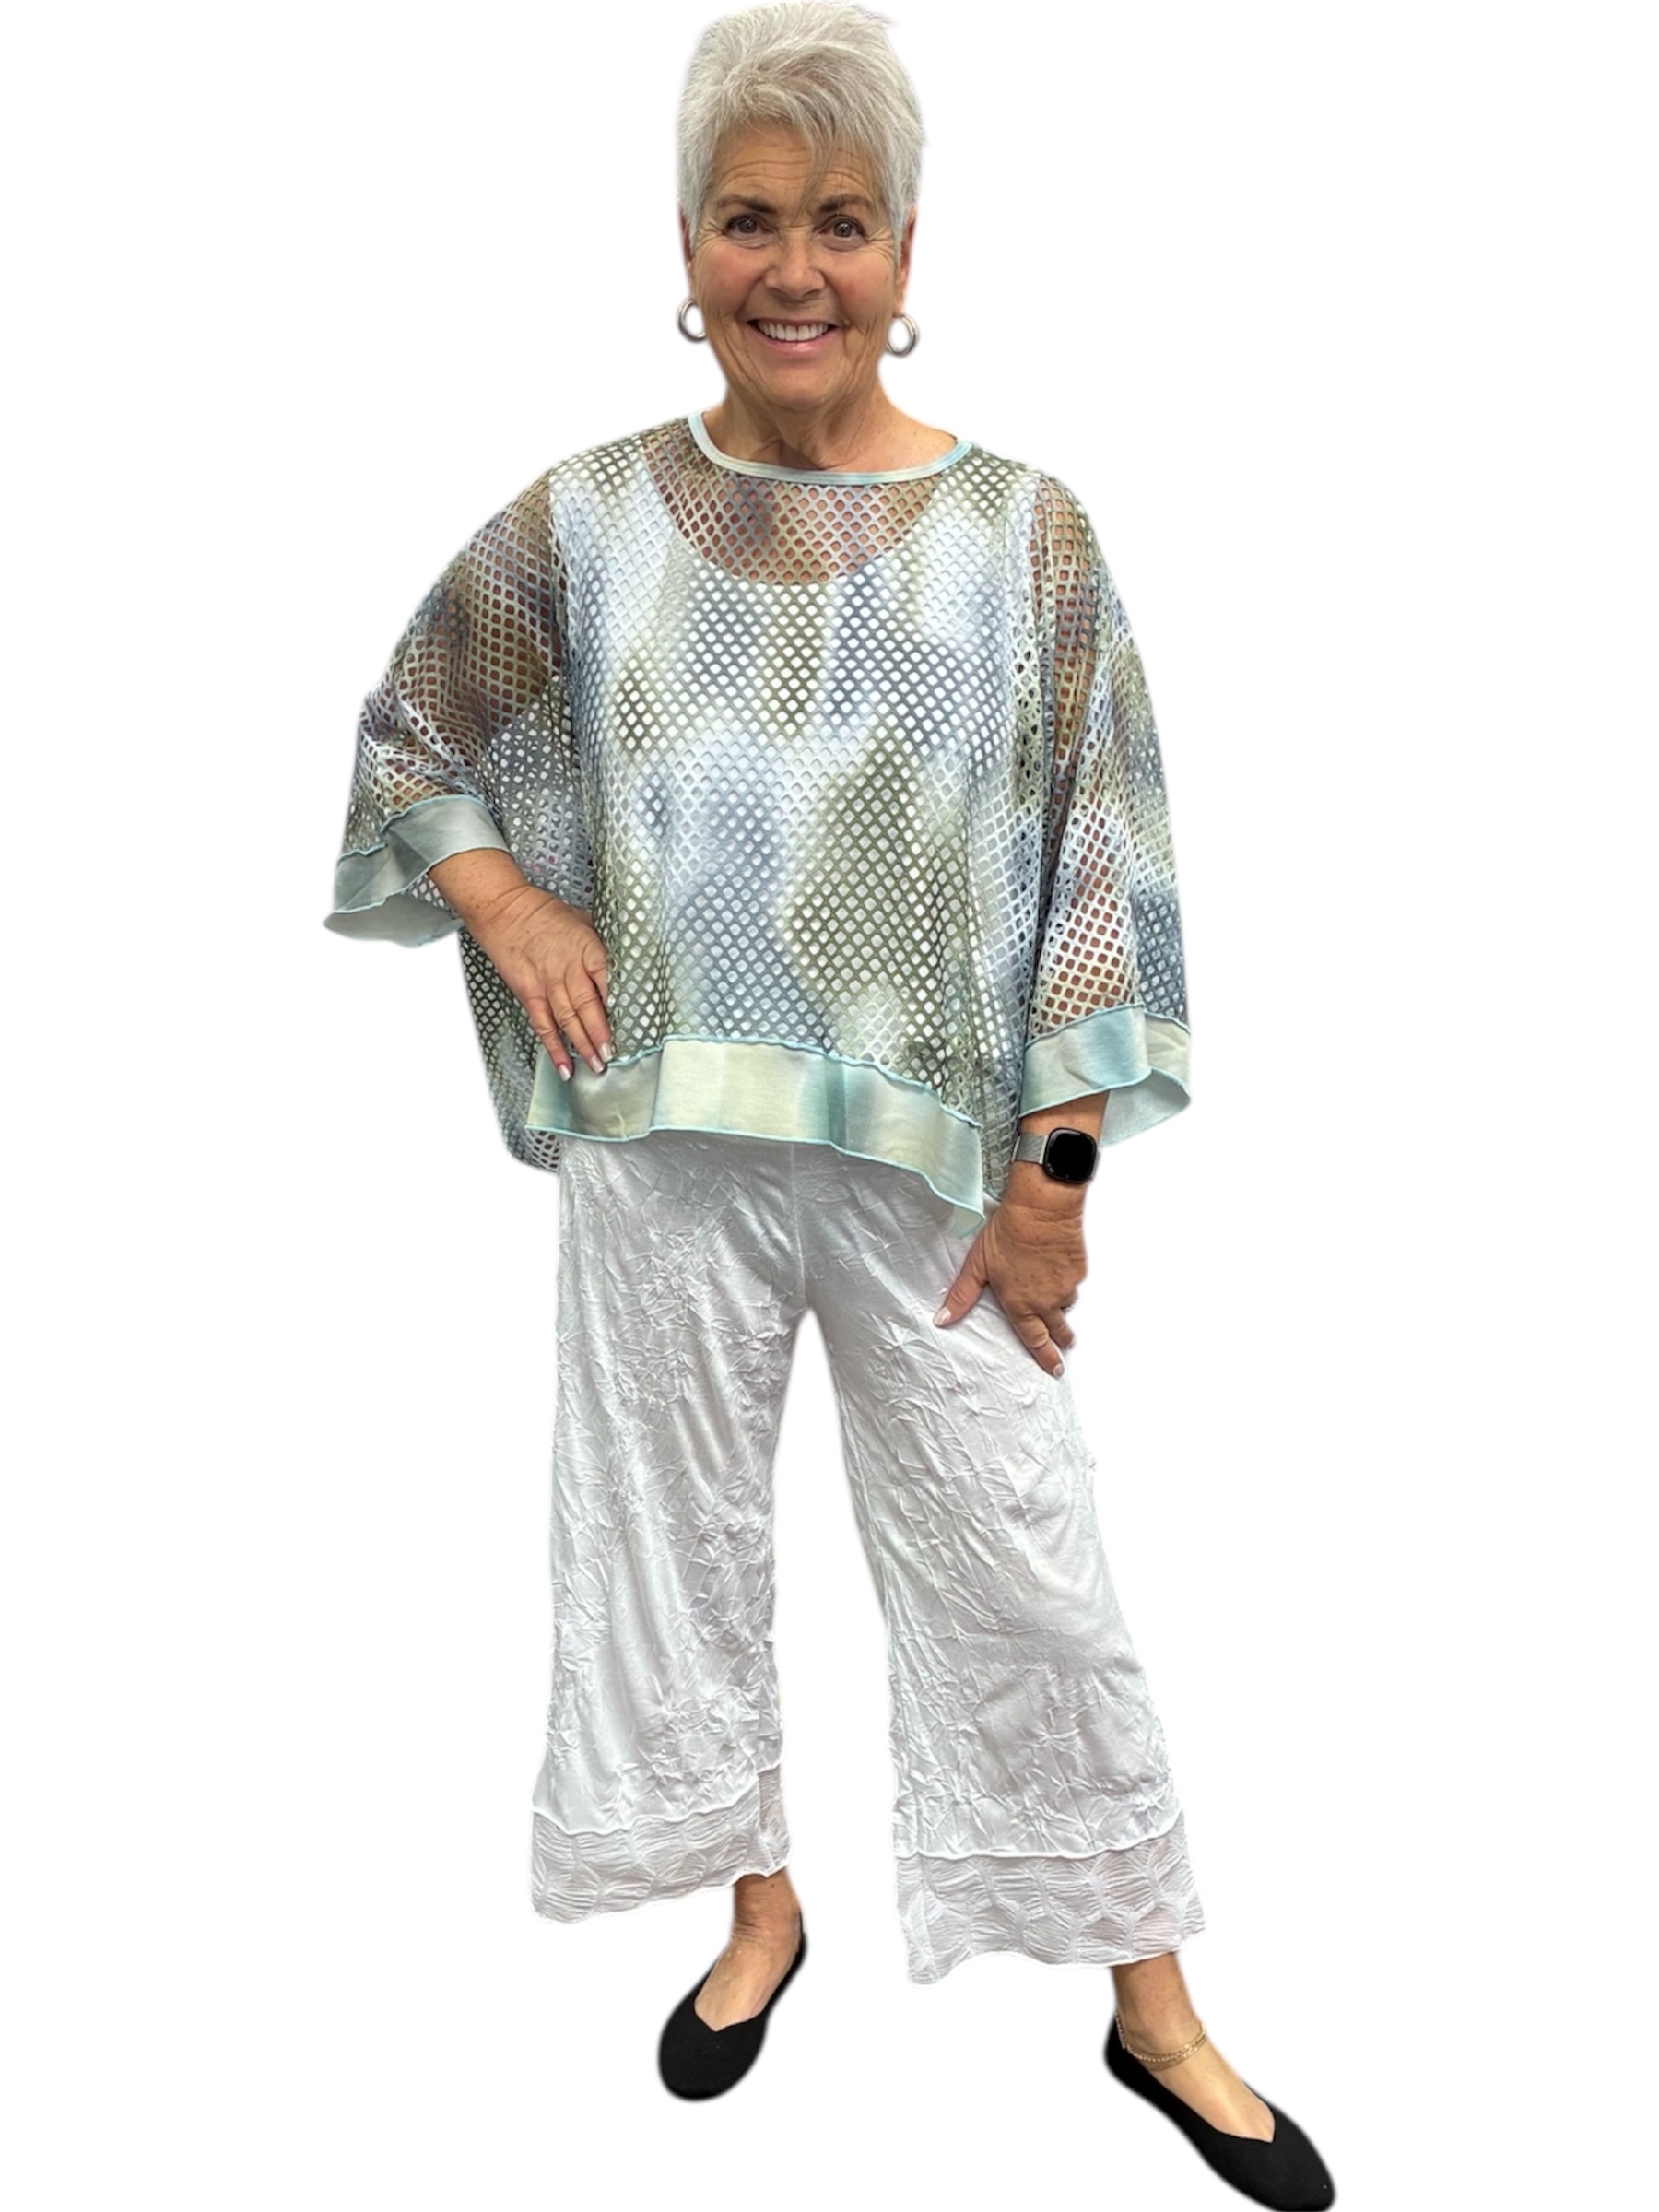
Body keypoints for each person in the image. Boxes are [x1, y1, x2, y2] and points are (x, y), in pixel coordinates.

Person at [324, 6, 1335, 2204]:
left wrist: (1058, 1176)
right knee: (666, 1548)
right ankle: (756, 1906)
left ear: (907, 250)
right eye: (750, 219)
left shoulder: (1021, 536)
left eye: (843, 223)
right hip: (663, 1138)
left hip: (931, 1165)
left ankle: (1150, 2002)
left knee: (1024, 1556)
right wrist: (505, 897)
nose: (797, 268)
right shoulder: (588, 524)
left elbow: (1100, 869)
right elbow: (412, 729)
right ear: (687, 249)